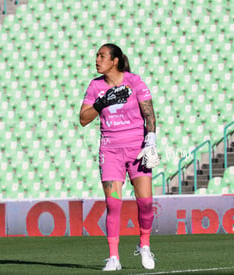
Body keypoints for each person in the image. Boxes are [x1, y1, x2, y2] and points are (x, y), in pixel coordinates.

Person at [79, 43, 160, 271]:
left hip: (137, 150)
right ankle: (114, 257)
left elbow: (149, 113)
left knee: (145, 203)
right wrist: (100, 102)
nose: (97, 59)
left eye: (102, 56)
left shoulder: (134, 81)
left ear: (114, 61)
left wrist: (151, 139)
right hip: (110, 151)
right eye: (97, 55)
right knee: (113, 204)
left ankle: (144, 245)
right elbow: (83, 119)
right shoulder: (95, 86)